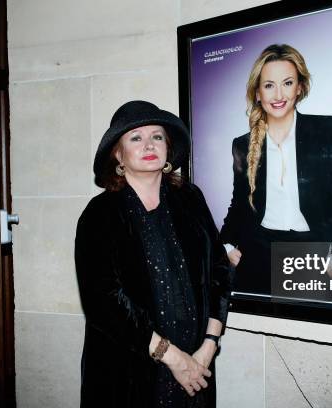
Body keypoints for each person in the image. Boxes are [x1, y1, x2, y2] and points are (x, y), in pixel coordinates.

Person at [75, 100, 231, 407]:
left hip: (197, 363)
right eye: (136, 137)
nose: (149, 144)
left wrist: (208, 346)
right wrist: (172, 357)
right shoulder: (99, 214)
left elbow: (220, 271)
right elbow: (102, 301)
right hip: (130, 371)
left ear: (168, 148)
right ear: (117, 155)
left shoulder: (190, 198)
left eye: (157, 136)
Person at [220, 44, 332, 294]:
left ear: (300, 87)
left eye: (288, 83)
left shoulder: (327, 131)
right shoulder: (242, 145)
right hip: (258, 258)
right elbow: (239, 205)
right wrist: (226, 246)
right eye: (269, 85)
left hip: (312, 256)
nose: (278, 94)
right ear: (258, 93)